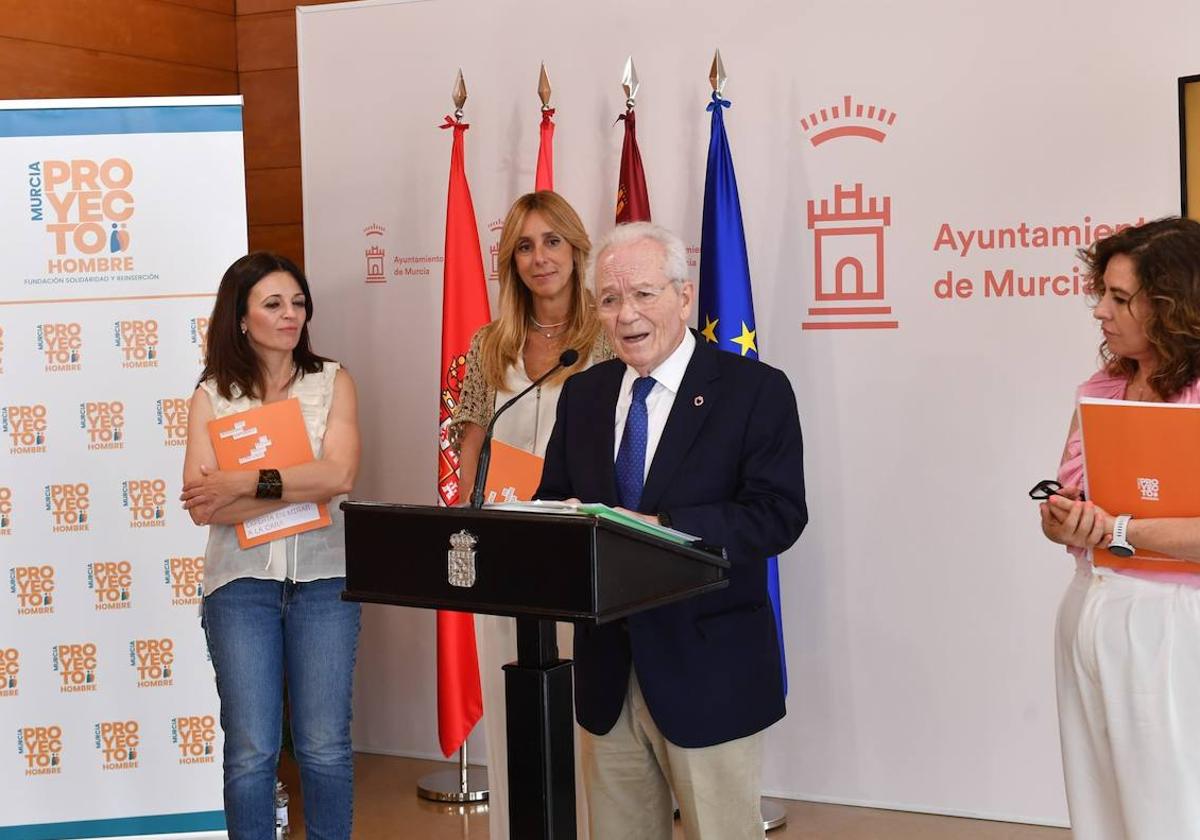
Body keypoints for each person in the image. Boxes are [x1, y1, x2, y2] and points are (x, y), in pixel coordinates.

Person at [536, 221, 808, 840]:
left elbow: (778, 514)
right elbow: (555, 502)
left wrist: (663, 527)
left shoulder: (753, 391)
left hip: (709, 671)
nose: (626, 314)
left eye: (644, 294)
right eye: (609, 299)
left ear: (684, 298)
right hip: (608, 673)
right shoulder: (582, 394)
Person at [449, 190, 612, 840]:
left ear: (576, 248)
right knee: (510, 697)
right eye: (524, 245)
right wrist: (469, 524)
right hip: (508, 551)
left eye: (551, 241)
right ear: (510, 261)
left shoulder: (607, 333)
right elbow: (471, 443)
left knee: (585, 709)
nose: (539, 257)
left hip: (583, 549)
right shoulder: (491, 344)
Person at [181, 252, 361, 840]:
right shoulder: (211, 395)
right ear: (240, 316)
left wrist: (243, 481)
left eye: (299, 302)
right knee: (252, 750)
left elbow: (338, 477)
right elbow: (206, 507)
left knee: (325, 746)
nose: (292, 315)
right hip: (240, 589)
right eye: (274, 304)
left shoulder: (332, 380)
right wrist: (295, 486)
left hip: (324, 583)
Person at [1040, 217, 1200, 840]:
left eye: (1120, 298)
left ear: (1172, 305)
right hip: (1089, 606)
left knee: (1170, 806)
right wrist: (1063, 520)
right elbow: (1066, 509)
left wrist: (1121, 529)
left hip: (1173, 622)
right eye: (1101, 292)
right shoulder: (1102, 388)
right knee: (1098, 805)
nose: (1100, 311)